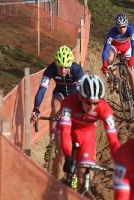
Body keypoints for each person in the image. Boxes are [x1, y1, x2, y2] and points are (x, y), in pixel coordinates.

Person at [31, 45, 84, 179]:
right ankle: (52, 141)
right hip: (59, 93)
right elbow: (42, 90)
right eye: (60, 66)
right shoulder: (50, 69)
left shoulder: (77, 71)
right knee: (55, 107)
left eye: (66, 67)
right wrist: (36, 107)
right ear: (55, 63)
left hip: (74, 95)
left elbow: (82, 92)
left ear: (70, 65)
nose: (63, 70)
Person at [59, 74, 120, 186]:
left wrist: (121, 162)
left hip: (86, 135)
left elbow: (113, 140)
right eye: (88, 102)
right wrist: (68, 156)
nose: (92, 107)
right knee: (60, 160)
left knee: (85, 174)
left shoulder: (105, 109)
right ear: (80, 97)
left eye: (95, 103)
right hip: (68, 131)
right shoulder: (68, 103)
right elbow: (65, 132)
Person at [100, 13, 134, 106]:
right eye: (119, 27)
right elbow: (106, 48)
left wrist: (132, 58)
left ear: (127, 25)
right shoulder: (112, 32)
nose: (122, 29)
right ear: (116, 26)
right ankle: (116, 77)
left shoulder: (131, 30)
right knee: (110, 59)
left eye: (123, 26)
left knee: (129, 68)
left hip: (126, 47)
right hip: (115, 47)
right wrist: (104, 62)